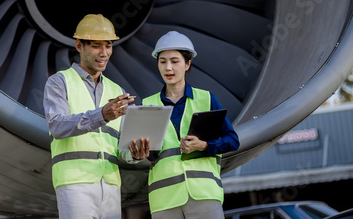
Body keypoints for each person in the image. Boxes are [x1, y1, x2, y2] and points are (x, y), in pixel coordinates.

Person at [43, 14, 149, 219]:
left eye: (108, 46)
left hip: (109, 185)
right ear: (79, 45)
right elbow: (57, 126)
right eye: (96, 46)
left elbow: (120, 149)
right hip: (75, 184)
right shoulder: (59, 82)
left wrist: (135, 154)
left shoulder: (116, 89)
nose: (104, 53)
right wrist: (101, 115)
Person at [142, 31, 240, 219]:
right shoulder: (148, 104)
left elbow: (233, 141)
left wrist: (204, 146)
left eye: (174, 61)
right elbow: (149, 155)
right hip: (164, 199)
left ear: (188, 64)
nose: (168, 68)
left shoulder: (207, 99)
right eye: (162, 61)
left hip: (204, 194)